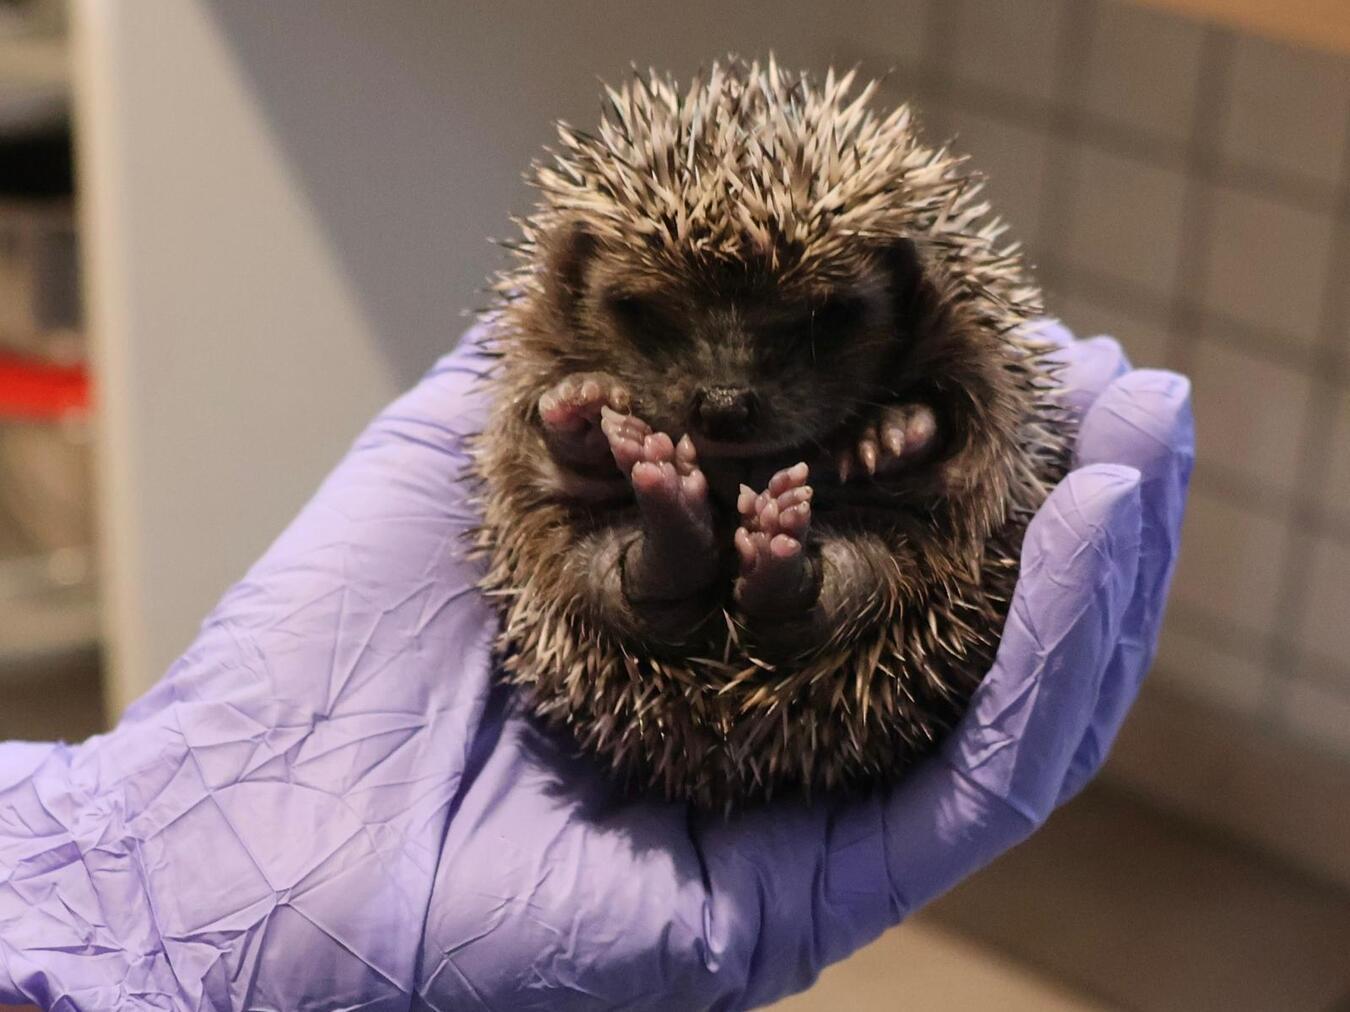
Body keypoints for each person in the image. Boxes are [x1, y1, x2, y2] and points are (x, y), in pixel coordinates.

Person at [0, 320, 1192, 1010]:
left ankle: (749, 566)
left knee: (884, 564)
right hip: (642, 627)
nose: (731, 382)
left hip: (852, 592)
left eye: (795, 335)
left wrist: (120, 893)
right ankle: (699, 559)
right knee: (600, 549)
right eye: (683, 332)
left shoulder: (929, 338)